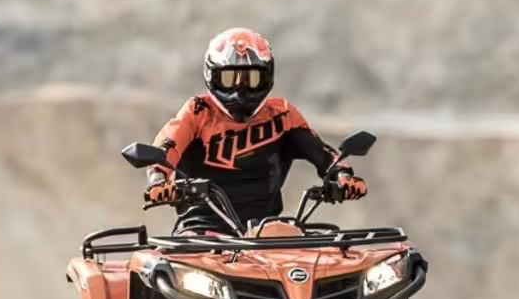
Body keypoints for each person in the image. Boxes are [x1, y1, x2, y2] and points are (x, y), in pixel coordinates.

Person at [144, 27, 367, 234]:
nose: (240, 89)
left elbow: (322, 153)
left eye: (251, 78)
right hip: (201, 232)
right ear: (212, 76)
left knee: (324, 257)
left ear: (267, 76)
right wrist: (158, 179)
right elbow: (167, 145)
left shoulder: (283, 115)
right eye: (229, 78)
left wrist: (343, 175)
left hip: (265, 233)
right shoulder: (198, 111)